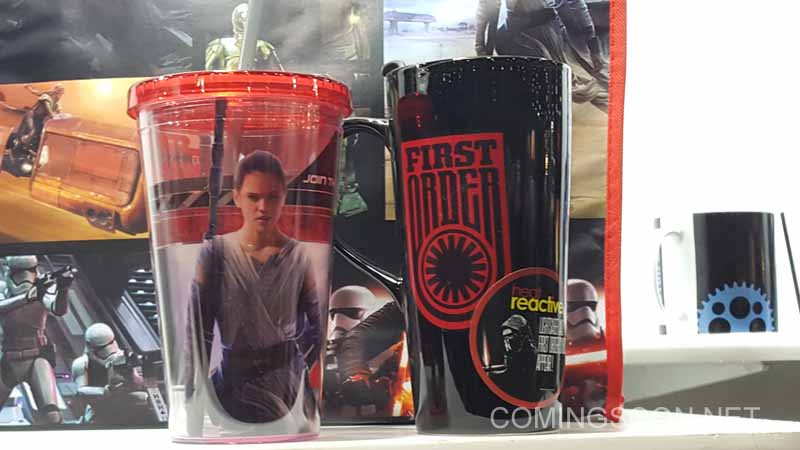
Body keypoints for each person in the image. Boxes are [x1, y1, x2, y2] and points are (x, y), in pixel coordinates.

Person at [185, 150, 321, 424]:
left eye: (272, 197)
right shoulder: (215, 253)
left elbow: (317, 327)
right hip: (232, 388)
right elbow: (197, 332)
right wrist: (193, 400)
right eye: (253, 197)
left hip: (288, 388)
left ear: (283, 197)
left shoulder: (298, 256)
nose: (263, 207)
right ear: (237, 197)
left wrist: (296, 368)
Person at [0, 256, 74, 425]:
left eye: (30, 271)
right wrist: (27, 297)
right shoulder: (3, 289)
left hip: (37, 359)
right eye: (20, 272)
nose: (25, 278)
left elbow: (58, 309)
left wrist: (63, 289)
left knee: (52, 416)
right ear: (9, 271)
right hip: (8, 359)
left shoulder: (44, 289)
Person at [71, 323, 150, 425]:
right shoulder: (82, 363)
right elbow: (81, 390)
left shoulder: (128, 357)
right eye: (102, 348)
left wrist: (134, 378)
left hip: (129, 406)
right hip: (100, 411)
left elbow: (143, 382)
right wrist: (106, 391)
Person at [205, 3, 284, 71]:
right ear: (236, 19)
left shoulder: (262, 46)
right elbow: (208, 72)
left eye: (248, 16)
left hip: (254, 82)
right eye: (242, 15)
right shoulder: (220, 44)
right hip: (228, 82)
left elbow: (279, 74)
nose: (245, 19)